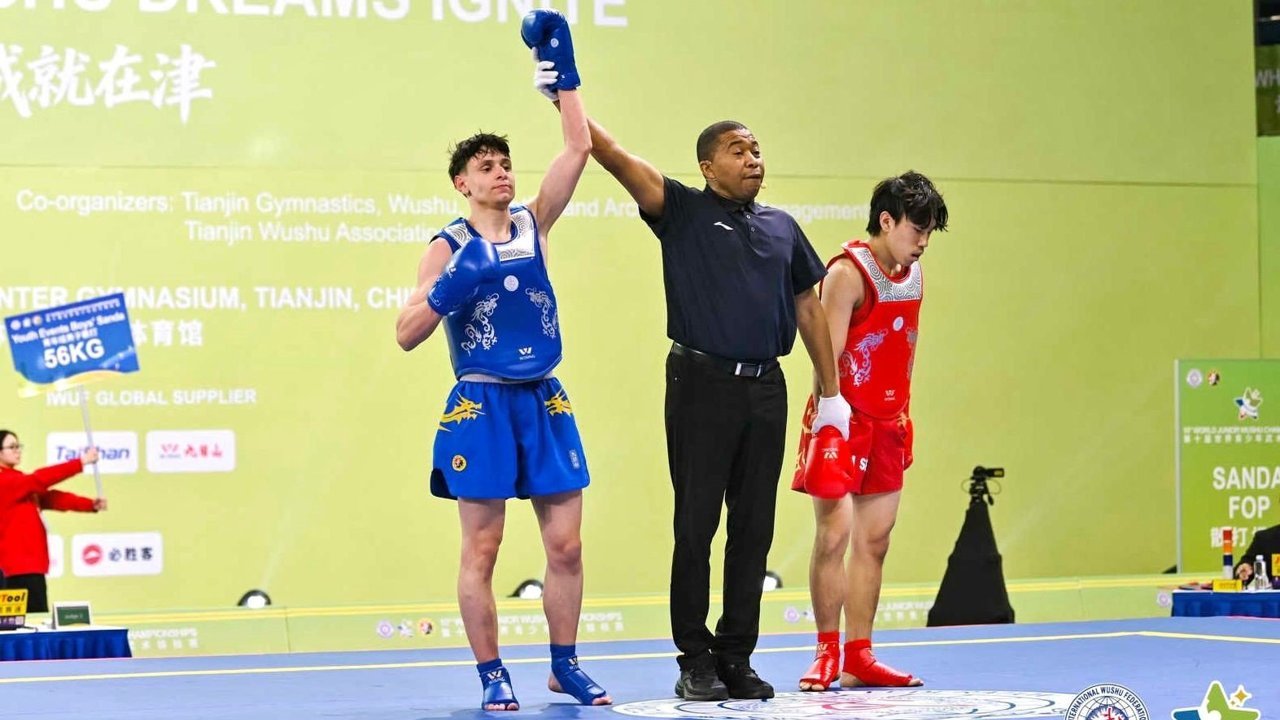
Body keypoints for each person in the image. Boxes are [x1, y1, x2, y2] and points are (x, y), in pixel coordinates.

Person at [580, 109, 851, 699]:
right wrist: (564, 99)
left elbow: (808, 308)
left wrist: (832, 396)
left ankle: (736, 657)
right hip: (700, 383)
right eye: (737, 150)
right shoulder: (681, 211)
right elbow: (614, 155)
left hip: (766, 387)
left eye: (756, 149)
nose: (753, 159)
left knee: (754, 530)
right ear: (707, 167)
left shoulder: (782, 227)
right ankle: (695, 659)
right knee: (697, 526)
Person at [394, 9, 607, 712]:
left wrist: (563, 73)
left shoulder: (534, 223)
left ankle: (564, 665)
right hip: (481, 403)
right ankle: (492, 674)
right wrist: (450, 287)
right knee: (482, 551)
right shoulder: (447, 246)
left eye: (506, 163)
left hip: (543, 398)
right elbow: (406, 333)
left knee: (567, 547)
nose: (501, 173)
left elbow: (577, 146)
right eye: (486, 167)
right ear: (462, 183)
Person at [792, 171, 948, 690]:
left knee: (875, 541)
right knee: (833, 536)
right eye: (916, 230)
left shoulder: (914, 273)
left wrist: (900, 412)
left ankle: (859, 654)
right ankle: (825, 651)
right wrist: (828, 414)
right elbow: (825, 353)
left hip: (888, 422)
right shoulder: (846, 273)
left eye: (929, 233)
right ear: (886, 221)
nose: (923, 243)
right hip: (842, 420)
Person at [0, 429, 105, 613]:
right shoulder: (6, 482)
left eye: (18, 446)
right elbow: (40, 479)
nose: (18, 450)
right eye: (12, 447)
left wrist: (90, 504)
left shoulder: (19, 481)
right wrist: (80, 462)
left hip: (29, 567)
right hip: (17, 570)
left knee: (30, 621)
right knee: (23, 623)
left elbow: (53, 498)